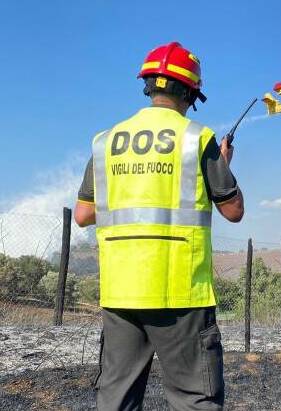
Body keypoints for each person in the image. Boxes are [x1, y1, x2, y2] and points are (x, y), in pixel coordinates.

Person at [74, 41, 244, 411]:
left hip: (121, 294)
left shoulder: (106, 142)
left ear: (148, 85)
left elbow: (83, 215)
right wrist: (224, 163)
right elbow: (233, 210)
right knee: (194, 400)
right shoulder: (198, 139)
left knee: (116, 400)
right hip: (181, 294)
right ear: (191, 93)